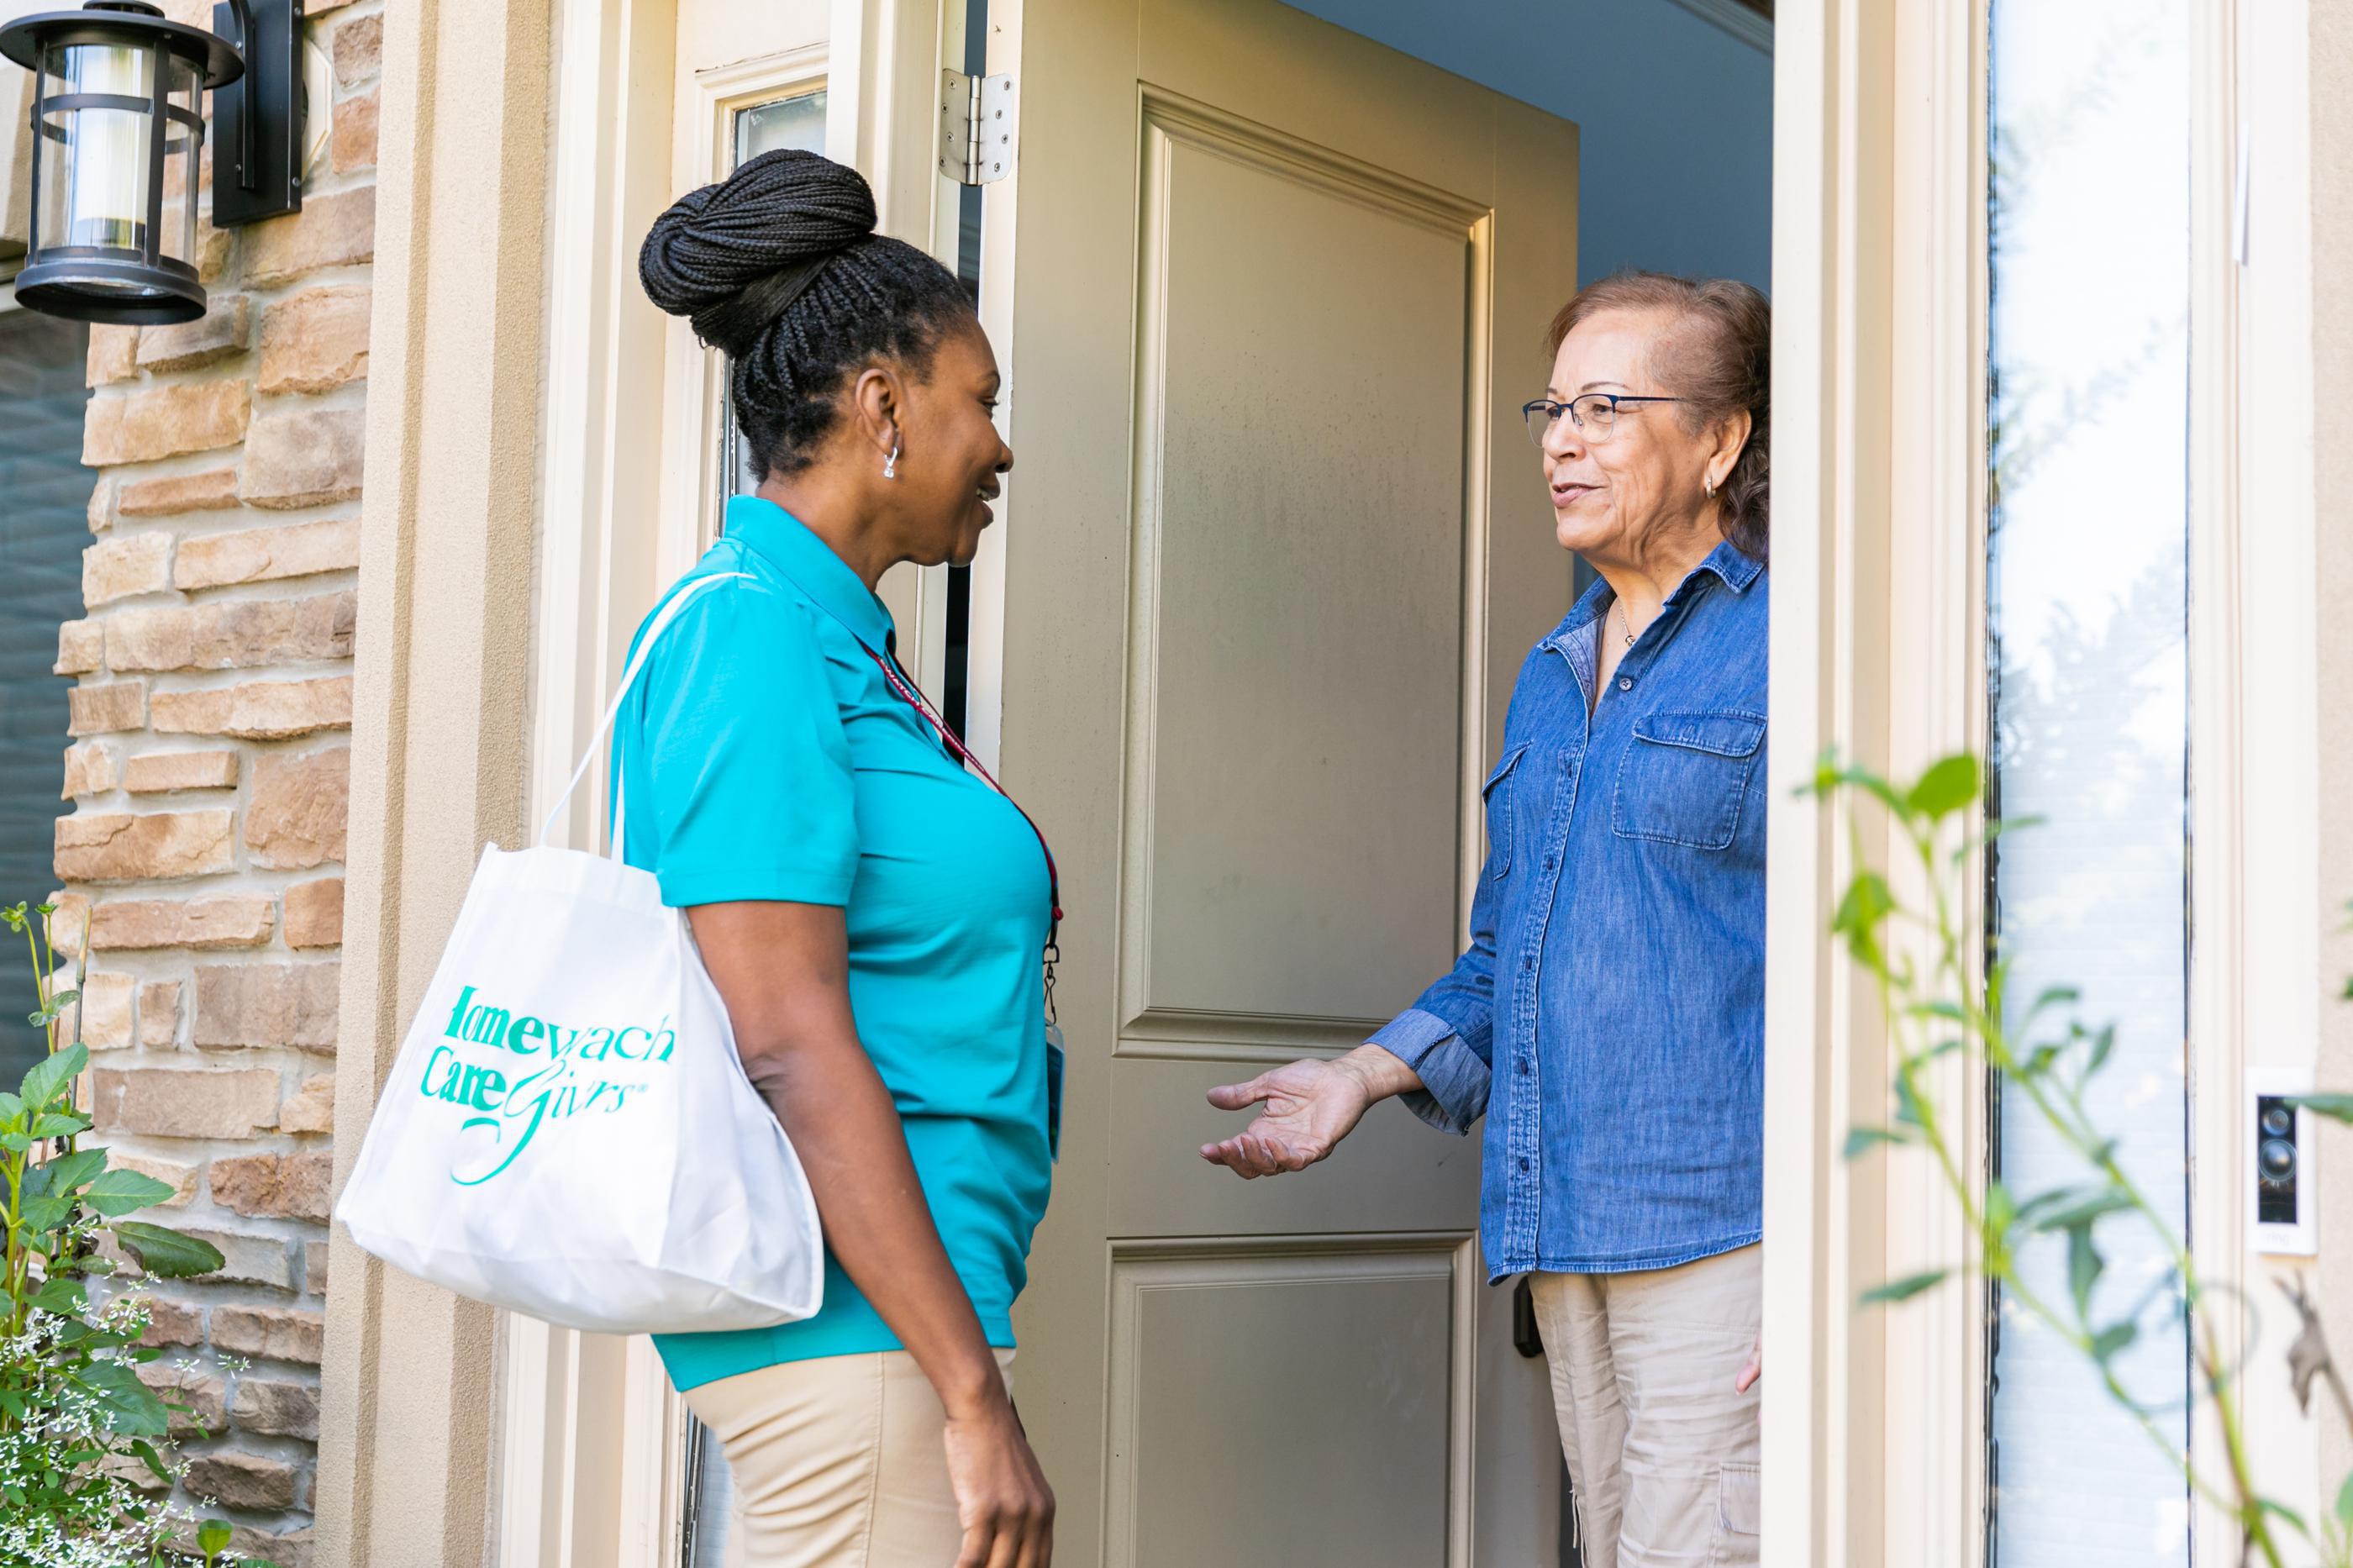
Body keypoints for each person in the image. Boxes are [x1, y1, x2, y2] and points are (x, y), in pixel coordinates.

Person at [1201, 271, 1772, 1567]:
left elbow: (1887, 961)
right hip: (1568, 1230)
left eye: (1607, 406)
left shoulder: (1798, 643)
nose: (1561, 439)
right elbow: (1512, 952)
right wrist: (1358, 1074)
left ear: (1723, 439)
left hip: (1730, 1235)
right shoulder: (1553, 670)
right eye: (1553, 407)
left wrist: (1833, 1250)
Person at [620, 149, 1055, 1568]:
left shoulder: (836, 646)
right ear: (883, 405)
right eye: (977, 399)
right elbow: (790, 1039)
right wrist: (969, 1392)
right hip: (864, 1346)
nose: (996, 442)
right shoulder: (747, 632)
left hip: (897, 1332)